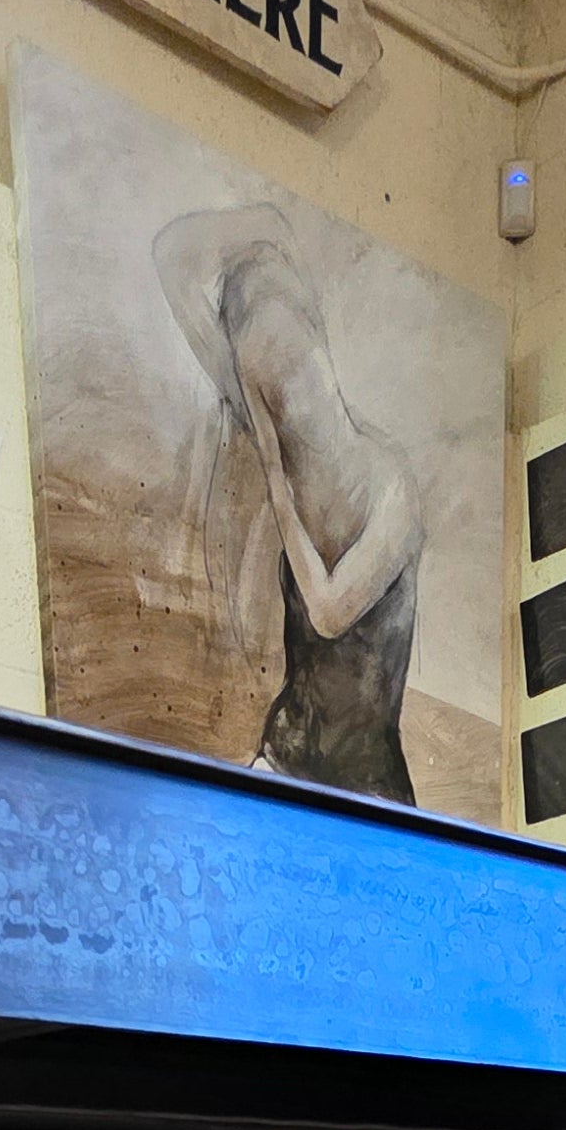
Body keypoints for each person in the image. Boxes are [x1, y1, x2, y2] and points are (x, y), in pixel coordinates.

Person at [154, 204, 425, 804]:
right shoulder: (277, 439)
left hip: (369, 794)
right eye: (271, 383)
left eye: (299, 360)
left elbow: (329, 612)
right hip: (283, 760)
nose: (294, 394)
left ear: (320, 344)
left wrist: (270, 224)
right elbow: (170, 255)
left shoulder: (391, 486)